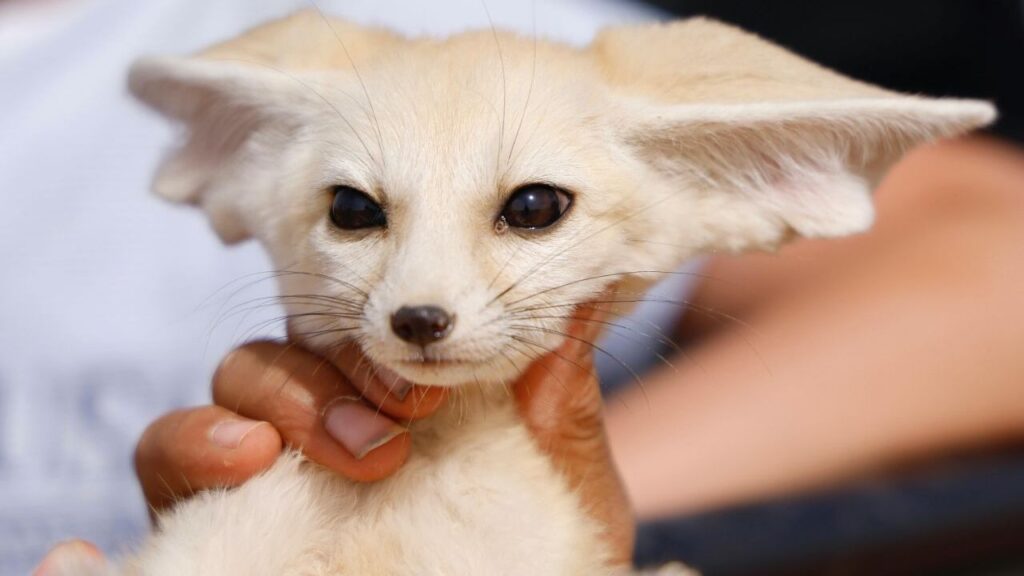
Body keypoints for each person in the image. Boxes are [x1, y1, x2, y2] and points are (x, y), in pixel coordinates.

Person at [13, 0, 1024, 573]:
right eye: (359, 214)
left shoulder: (454, 44)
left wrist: (529, 508)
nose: (420, 296)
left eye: (530, 210)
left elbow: (998, 263)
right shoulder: (280, 108)